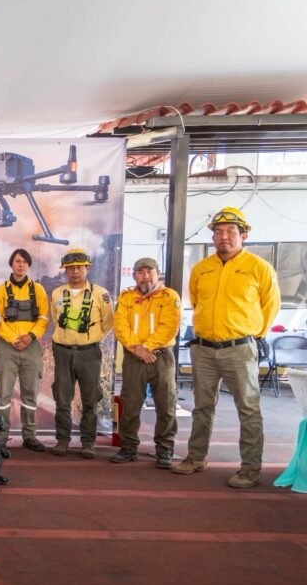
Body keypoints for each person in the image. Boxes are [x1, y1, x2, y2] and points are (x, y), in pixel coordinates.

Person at [173, 207, 280, 488]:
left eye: (231, 231)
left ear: (243, 235)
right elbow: (197, 302)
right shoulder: (202, 268)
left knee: (248, 409)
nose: (224, 237)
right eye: (219, 232)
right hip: (204, 349)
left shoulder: (259, 268)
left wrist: (254, 336)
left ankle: (250, 469)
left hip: (240, 349)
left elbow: (271, 306)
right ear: (213, 237)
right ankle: (196, 458)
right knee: (202, 407)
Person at [112, 257, 181, 468]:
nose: (145, 276)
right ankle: (128, 447)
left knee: (166, 404)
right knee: (130, 404)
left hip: (162, 357)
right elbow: (120, 326)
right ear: (134, 275)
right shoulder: (126, 297)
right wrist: (137, 348)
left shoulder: (169, 296)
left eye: (150, 272)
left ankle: (164, 449)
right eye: (141, 272)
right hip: (134, 357)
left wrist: (147, 347)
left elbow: (169, 326)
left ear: (157, 274)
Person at [47, 248, 114, 459]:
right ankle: (62, 440)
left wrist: (92, 338)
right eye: (70, 268)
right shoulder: (57, 294)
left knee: (90, 399)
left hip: (89, 353)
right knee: (62, 398)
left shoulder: (100, 294)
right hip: (63, 351)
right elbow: (55, 318)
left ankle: (88, 442)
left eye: (79, 267)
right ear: (65, 270)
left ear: (87, 269)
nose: (75, 271)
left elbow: (108, 322)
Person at [0, 249, 50, 452]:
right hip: (8, 347)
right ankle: (1, 437)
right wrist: (13, 339)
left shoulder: (38, 290)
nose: (21, 264)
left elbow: (43, 318)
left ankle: (30, 436)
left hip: (31, 347)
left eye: (25, 261)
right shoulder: (1, 290)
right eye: (17, 261)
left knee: (30, 394)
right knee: (3, 394)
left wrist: (30, 336)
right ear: (11, 264)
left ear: (28, 265)